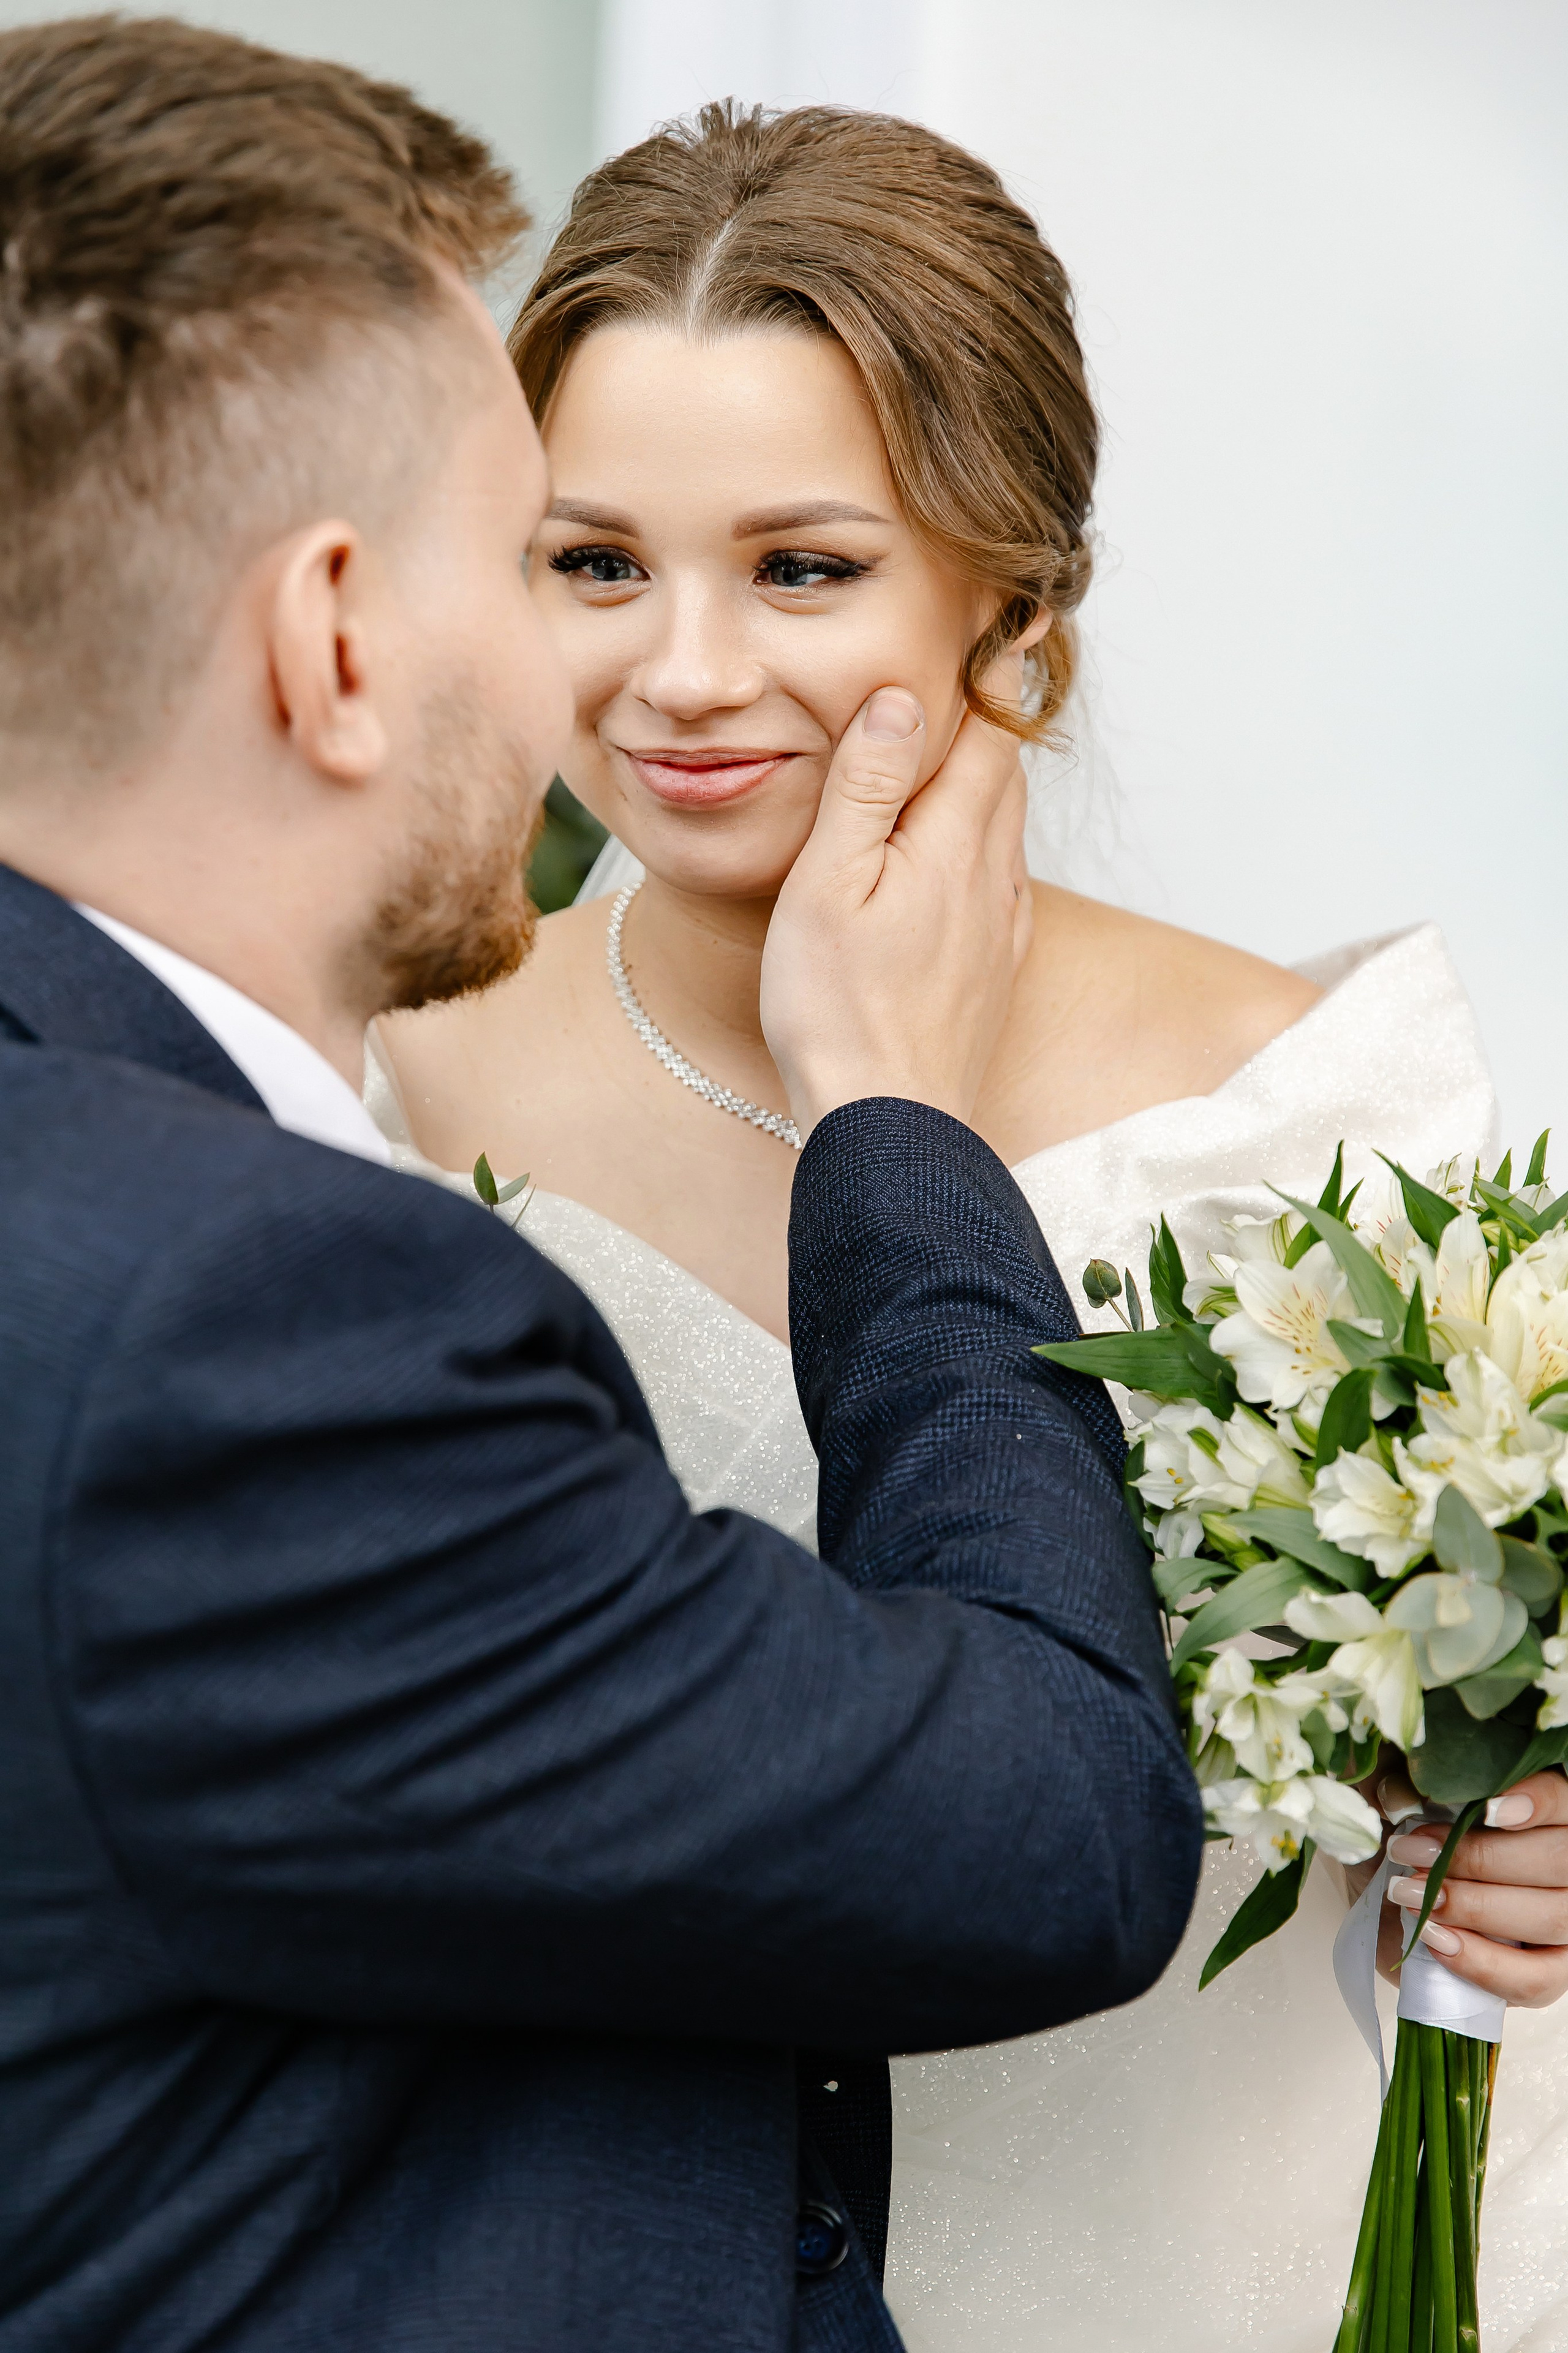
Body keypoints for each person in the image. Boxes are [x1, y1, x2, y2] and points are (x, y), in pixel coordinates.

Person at [0, 26, 1205, 2353]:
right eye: (548, 554)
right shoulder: (249, 1314)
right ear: (333, 638)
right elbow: (1053, 1822)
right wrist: (899, 1126)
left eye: (796, 563)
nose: (651, 673)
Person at [378, 103, 1568, 2353]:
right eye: (595, 561)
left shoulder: (1307, 1102)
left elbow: (1471, 1708)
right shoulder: (404, 1079)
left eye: (800, 569)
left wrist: (1511, 1832)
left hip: (1223, 2232)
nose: (681, 672)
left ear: (1011, 599)